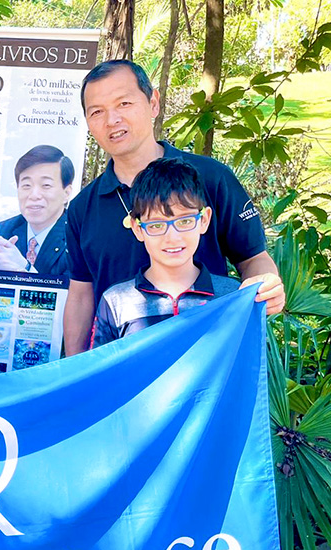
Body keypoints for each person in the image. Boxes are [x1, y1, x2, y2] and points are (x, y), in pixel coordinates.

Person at [91, 159, 245, 550]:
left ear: (204, 220)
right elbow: (101, 393)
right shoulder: (118, 302)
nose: (171, 235)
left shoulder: (233, 298)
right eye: (156, 223)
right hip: (140, 478)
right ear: (136, 228)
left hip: (210, 473)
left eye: (183, 220)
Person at [63, 60, 285, 356]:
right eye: (97, 112)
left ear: (153, 103)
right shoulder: (82, 207)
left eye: (124, 103)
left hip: (205, 360)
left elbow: (254, 257)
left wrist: (266, 285)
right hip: (126, 368)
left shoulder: (209, 179)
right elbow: (81, 294)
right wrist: (75, 372)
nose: (112, 119)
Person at [0, 145, 74, 276]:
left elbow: (73, 288)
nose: (34, 195)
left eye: (46, 185)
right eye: (26, 185)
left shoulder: (79, 239)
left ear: (66, 193)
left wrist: (24, 269)